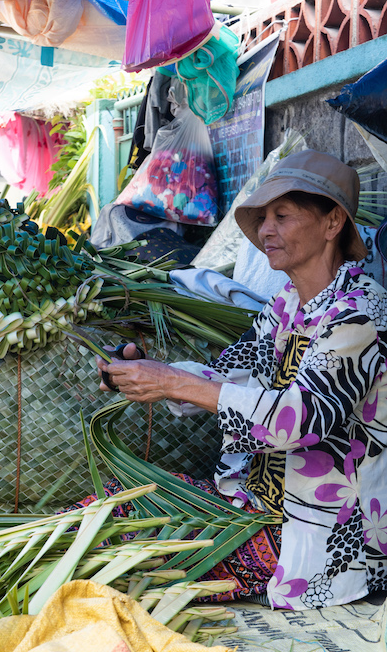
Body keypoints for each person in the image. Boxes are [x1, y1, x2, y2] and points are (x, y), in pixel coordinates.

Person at [95, 149, 387, 611]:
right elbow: (233, 377)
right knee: (110, 508)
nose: (266, 231)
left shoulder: (359, 316)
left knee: (122, 558)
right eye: (263, 218)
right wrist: (144, 372)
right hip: (258, 502)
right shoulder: (286, 306)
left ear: (333, 223)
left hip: (324, 530)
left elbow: (297, 420)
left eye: (283, 216)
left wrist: (173, 382)